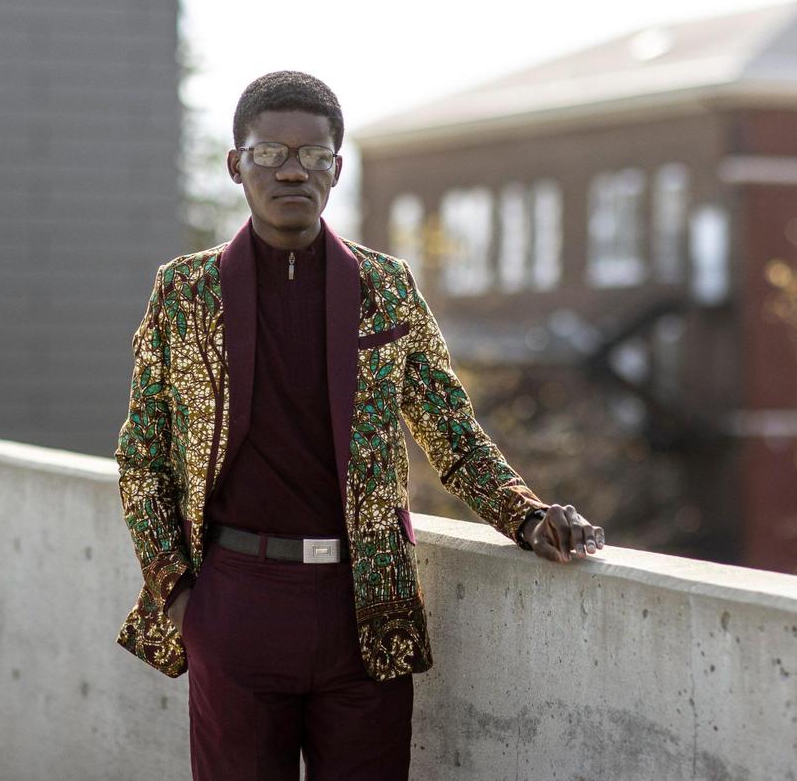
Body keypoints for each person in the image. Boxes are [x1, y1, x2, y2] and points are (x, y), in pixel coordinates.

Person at [114, 70, 606, 780]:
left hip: (366, 607)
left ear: (337, 170)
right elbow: (142, 461)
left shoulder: (387, 287)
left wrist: (527, 517)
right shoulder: (183, 293)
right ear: (235, 165)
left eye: (314, 156)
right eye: (268, 153)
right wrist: (182, 597)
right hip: (236, 602)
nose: (292, 169)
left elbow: (452, 433)